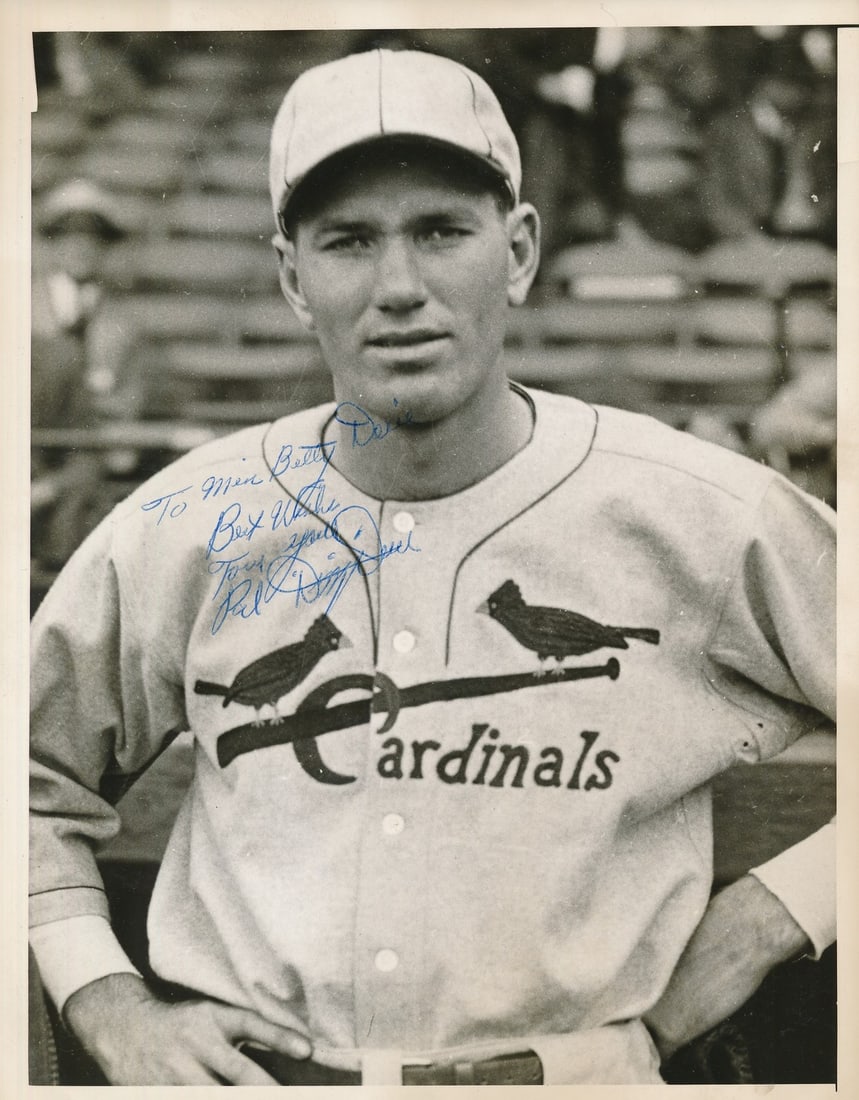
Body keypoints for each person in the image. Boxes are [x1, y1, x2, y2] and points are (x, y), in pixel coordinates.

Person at [29, 48, 835, 1086]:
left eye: (442, 231)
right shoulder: (187, 522)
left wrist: (774, 916)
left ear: (520, 251)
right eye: (348, 241)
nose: (400, 288)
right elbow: (26, 776)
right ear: (292, 278)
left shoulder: (700, 511)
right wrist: (105, 999)